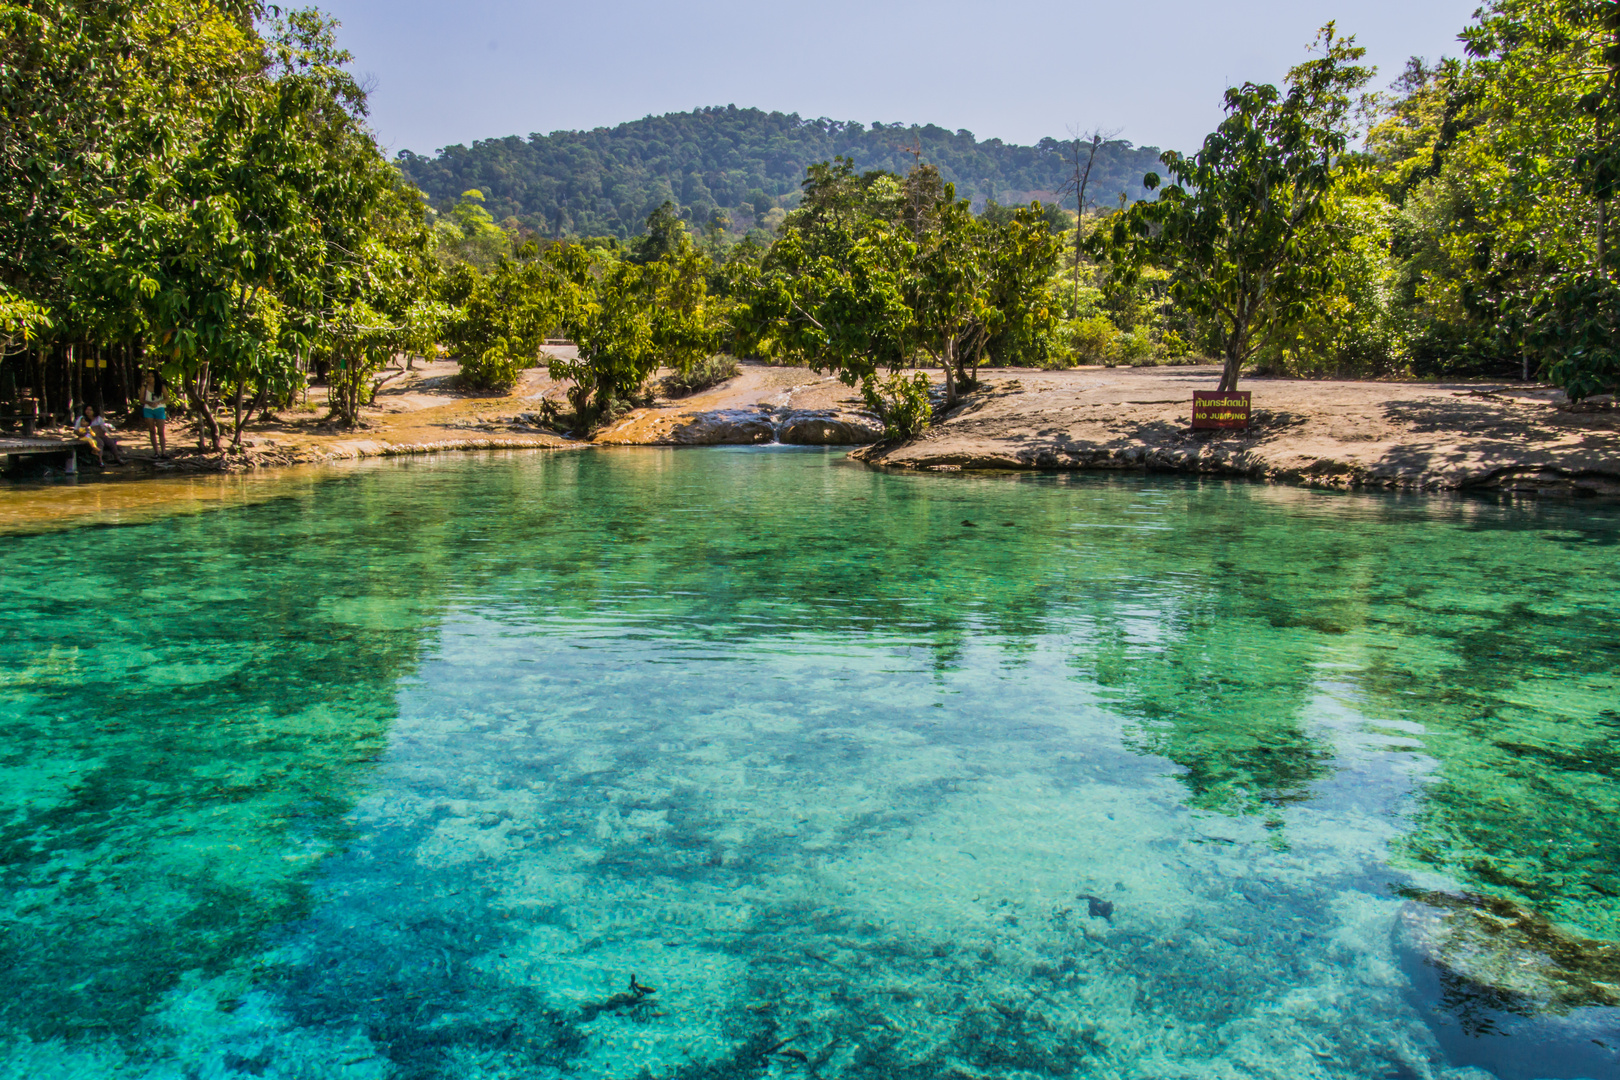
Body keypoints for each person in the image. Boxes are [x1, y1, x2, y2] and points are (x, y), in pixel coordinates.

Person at [140, 370, 168, 458]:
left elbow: (167, 398)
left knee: (161, 431)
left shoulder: (161, 386)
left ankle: (163, 452)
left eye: (152, 376)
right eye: (148, 376)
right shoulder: (144, 387)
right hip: (148, 410)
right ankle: (156, 452)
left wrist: (159, 402)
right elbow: (141, 399)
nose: (150, 378)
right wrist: (148, 402)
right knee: (152, 431)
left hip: (159, 409)